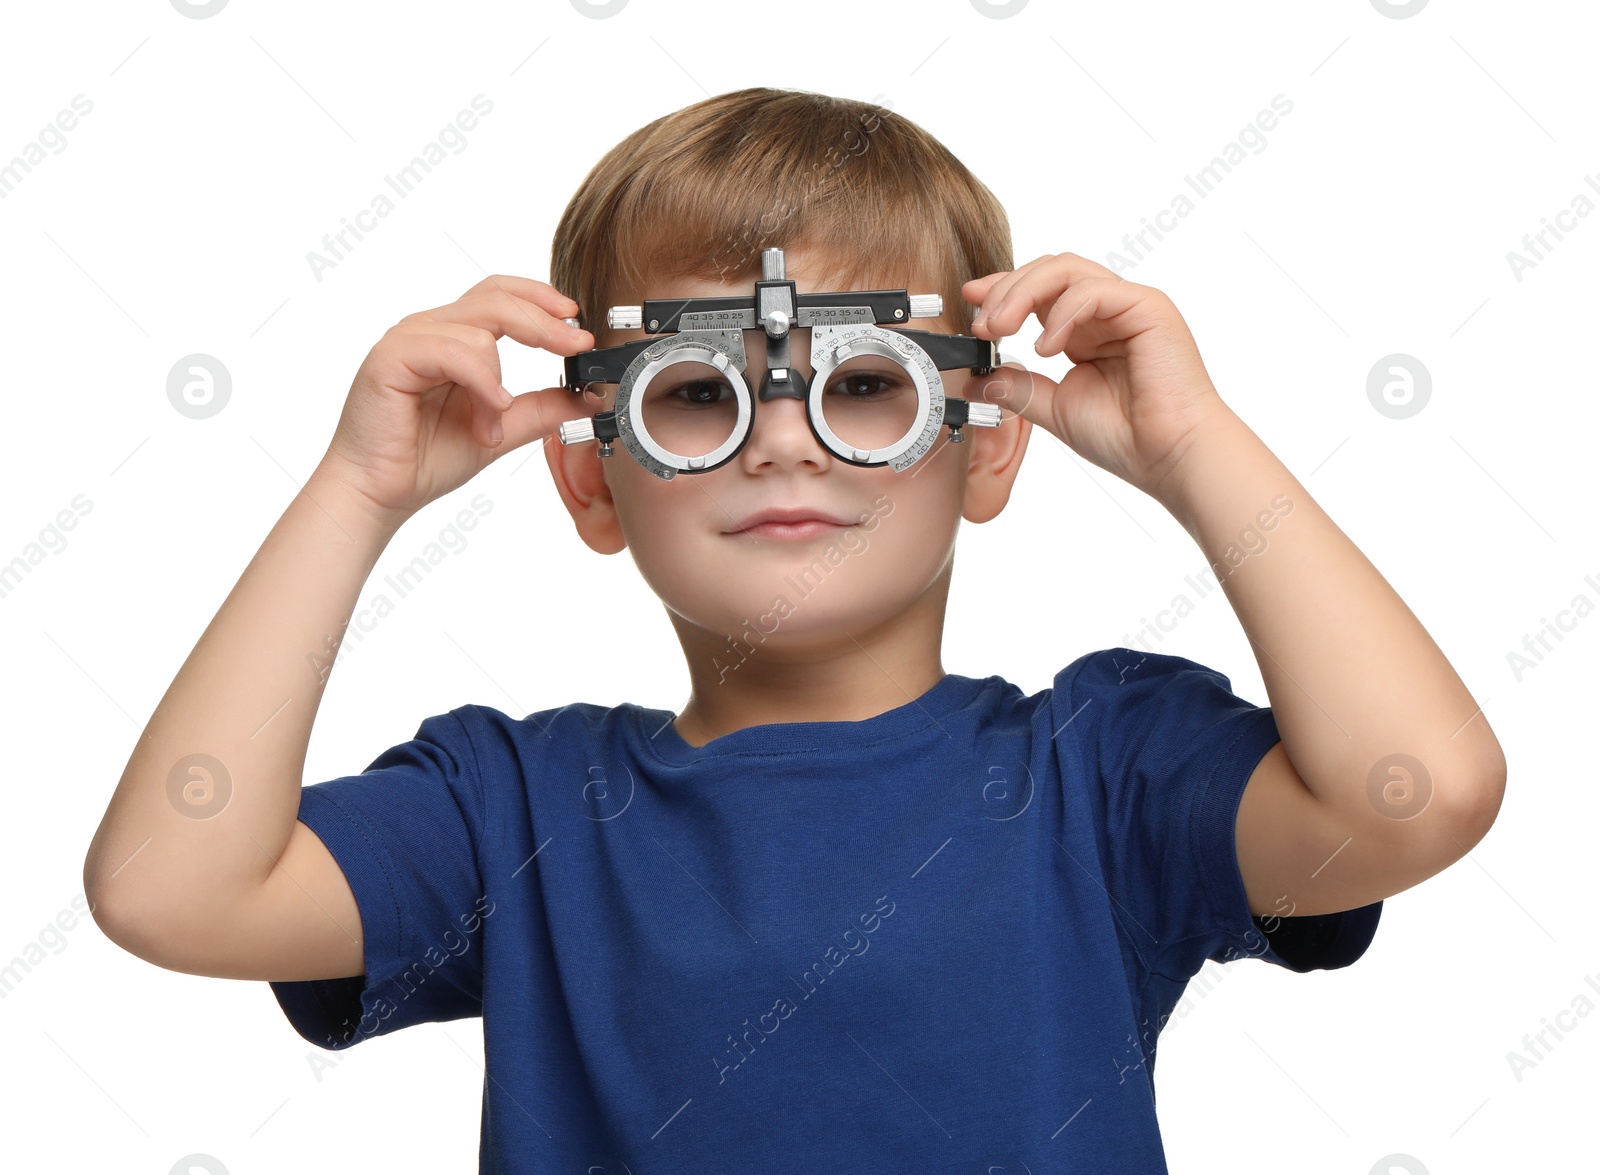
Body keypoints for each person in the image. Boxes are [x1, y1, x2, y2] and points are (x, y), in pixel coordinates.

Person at [82, 88, 1507, 1172]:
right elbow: (169, 890)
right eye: (695, 395)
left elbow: (1418, 791)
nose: (782, 443)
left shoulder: (1103, 774)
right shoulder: (507, 808)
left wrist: (1196, 443)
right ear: (593, 472)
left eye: (861, 385)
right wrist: (357, 491)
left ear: (987, 447)